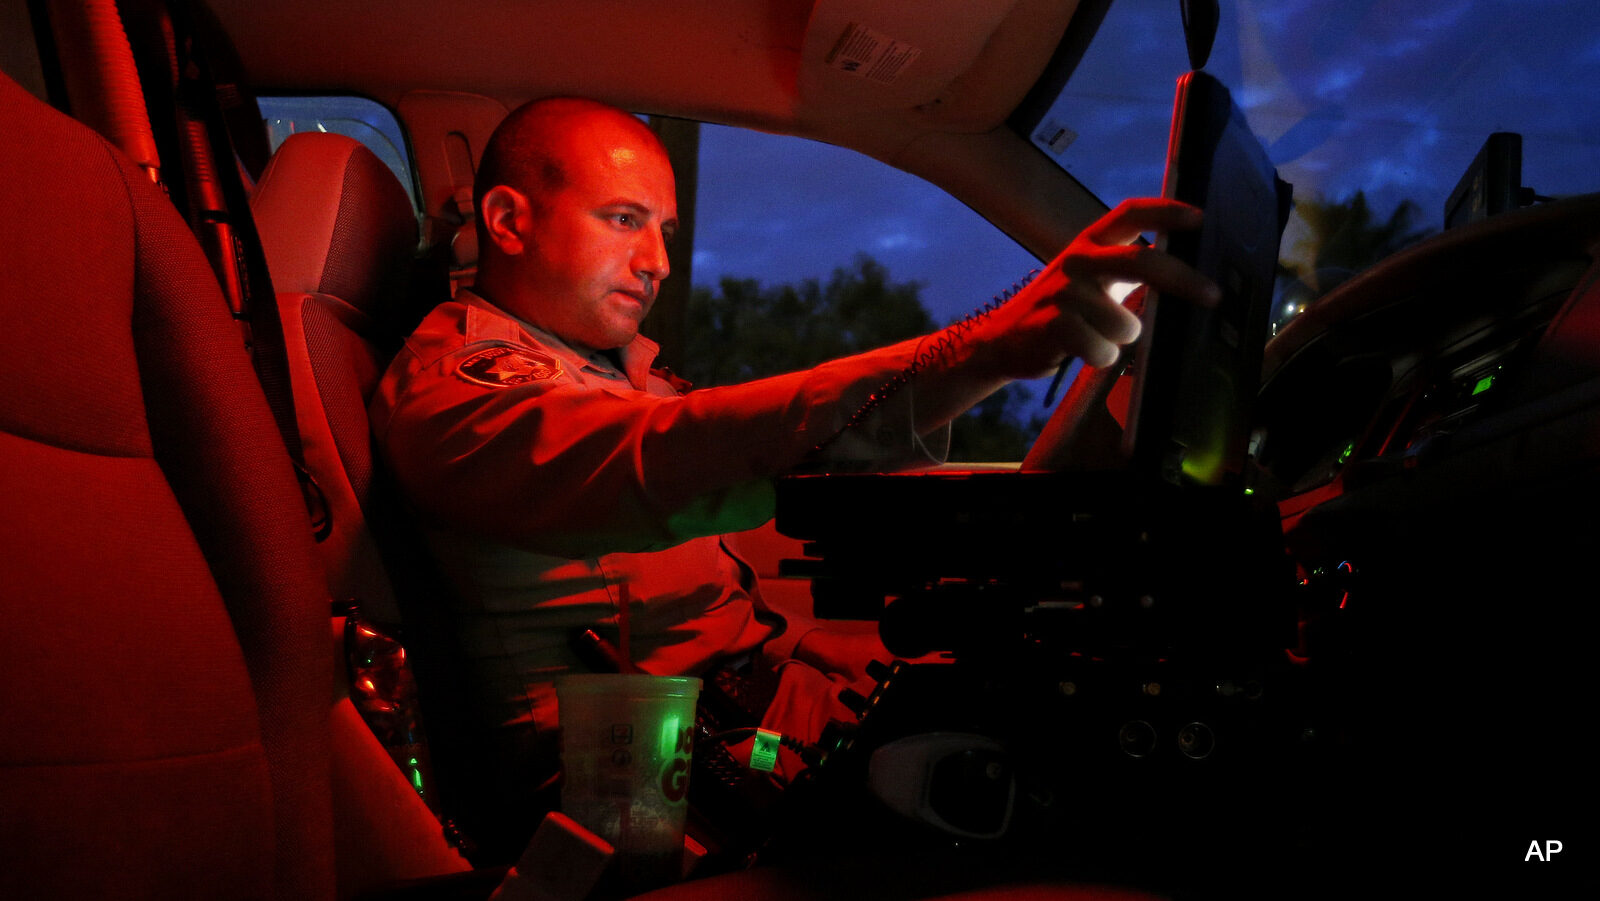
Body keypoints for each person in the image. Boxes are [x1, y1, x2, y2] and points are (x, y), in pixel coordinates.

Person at [370, 96, 1218, 862]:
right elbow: (669, 454)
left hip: (751, 726)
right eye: (624, 219)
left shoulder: (603, 369)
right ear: (511, 221)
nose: (658, 260)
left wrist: (871, 652)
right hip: (652, 797)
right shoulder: (463, 393)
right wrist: (983, 349)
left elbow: (732, 543)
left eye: (663, 228)